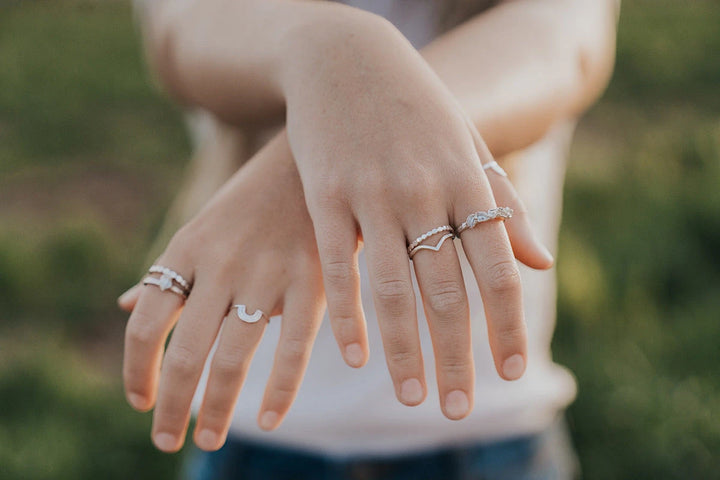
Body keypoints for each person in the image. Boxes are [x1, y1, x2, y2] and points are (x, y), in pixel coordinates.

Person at [118, 0, 618, 478]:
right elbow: (182, 33)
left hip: (491, 441)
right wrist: (329, 44)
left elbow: (560, 45)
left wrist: (299, 171)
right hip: (252, 436)